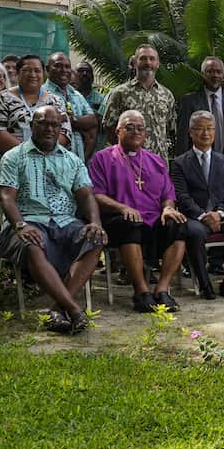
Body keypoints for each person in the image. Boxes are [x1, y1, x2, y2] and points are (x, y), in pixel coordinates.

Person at [0, 106, 107, 334]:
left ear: (60, 128)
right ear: (31, 125)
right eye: (43, 123)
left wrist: (95, 222)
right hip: (27, 220)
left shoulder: (73, 160)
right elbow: (7, 197)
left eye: (55, 124)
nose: (49, 128)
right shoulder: (14, 156)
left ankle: (58, 308)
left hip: (65, 222)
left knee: (95, 240)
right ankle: (75, 310)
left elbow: (86, 195)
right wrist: (20, 225)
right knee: (33, 244)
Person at [89, 109, 189, 313]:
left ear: (146, 134)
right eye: (129, 127)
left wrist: (168, 209)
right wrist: (122, 207)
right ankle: (141, 292)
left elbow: (168, 193)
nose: (135, 131)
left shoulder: (156, 161)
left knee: (178, 225)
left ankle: (162, 290)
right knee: (131, 225)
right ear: (117, 131)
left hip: (153, 219)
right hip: (119, 219)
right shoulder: (102, 158)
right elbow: (96, 194)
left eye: (140, 128)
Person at [170, 111, 224, 299]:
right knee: (195, 232)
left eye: (209, 129)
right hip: (195, 216)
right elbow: (182, 196)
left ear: (215, 132)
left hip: (222, 215)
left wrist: (219, 214)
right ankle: (204, 284)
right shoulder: (179, 163)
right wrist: (203, 216)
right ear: (191, 132)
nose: (205, 133)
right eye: (200, 129)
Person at [0, 55, 69, 228]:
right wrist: (29, 154)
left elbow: (65, 134)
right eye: (27, 70)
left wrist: (38, 158)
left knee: (39, 226)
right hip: (5, 170)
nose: (32, 74)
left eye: (37, 70)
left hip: (45, 172)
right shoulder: (2, 98)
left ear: (43, 74)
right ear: (17, 73)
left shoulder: (55, 101)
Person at [100, 44, 177, 159]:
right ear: (135, 62)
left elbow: (170, 128)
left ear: (157, 63)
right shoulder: (120, 93)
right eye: (143, 58)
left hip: (158, 164)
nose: (148, 63)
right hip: (128, 163)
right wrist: (124, 149)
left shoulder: (166, 95)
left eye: (152, 59)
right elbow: (109, 127)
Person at [178, 56, 224, 159]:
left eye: (218, 72)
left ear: (223, 74)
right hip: (197, 161)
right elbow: (183, 137)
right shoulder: (190, 101)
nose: (215, 75)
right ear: (203, 74)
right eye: (210, 72)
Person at [44, 52, 99, 159]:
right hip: (51, 158)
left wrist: (71, 121)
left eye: (67, 67)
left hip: (77, 159)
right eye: (58, 66)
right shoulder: (42, 93)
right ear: (47, 68)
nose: (63, 70)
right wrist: (80, 125)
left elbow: (93, 121)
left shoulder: (76, 94)